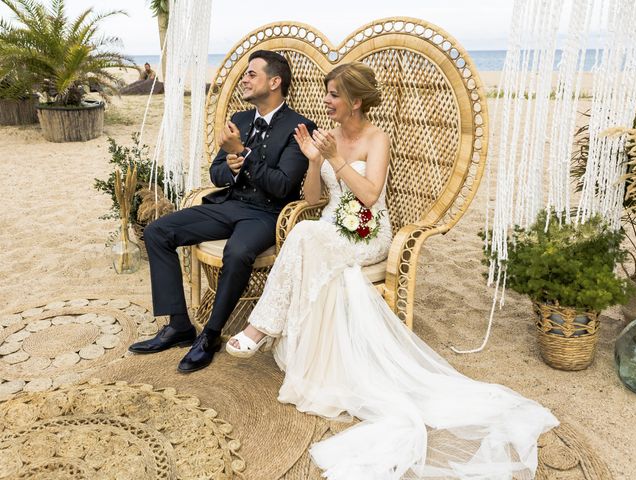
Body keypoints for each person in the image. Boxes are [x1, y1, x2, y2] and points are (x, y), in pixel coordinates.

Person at [226, 62, 558, 479]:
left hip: (368, 231)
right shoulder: (327, 139)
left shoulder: (376, 138)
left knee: (307, 238)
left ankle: (260, 328)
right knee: (309, 233)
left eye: (333, 95)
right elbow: (313, 197)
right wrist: (314, 160)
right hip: (331, 226)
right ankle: (273, 331)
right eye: (326, 93)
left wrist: (336, 160)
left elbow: (369, 195)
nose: (325, 101)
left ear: (356, 101)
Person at [128, 50, 317, 374]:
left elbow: (284, 186)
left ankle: (211, 335)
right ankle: (179, 325)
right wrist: (230, 167)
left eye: (252, 74)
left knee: (238, 251)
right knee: (158, 231)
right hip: (228, 204)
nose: (244, 79)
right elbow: (216, 172)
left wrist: (243, 153)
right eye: (245, 74)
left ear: (275, 82)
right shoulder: (240, 121)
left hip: (265, 214)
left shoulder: (299, 127)